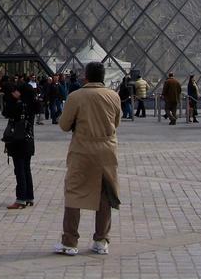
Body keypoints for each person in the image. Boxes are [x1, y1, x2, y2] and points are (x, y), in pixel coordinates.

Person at [55, 62, 121, 257]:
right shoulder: (113, 96)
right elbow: (116, 122)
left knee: (74, 193)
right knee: (105, 196)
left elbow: (64, 125)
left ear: (86, 76)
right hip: (107, 151)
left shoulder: (75, 96)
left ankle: (69, 242)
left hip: (82, 151)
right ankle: (101, 240)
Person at [4, 78, 36, 209]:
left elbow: (6, 112)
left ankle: (21, 198)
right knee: (26, 169)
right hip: (29, 140)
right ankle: (29, 196)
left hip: (18, 141)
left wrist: (13, 99)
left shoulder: (18, 105)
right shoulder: (32, 105)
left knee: (20, 170)